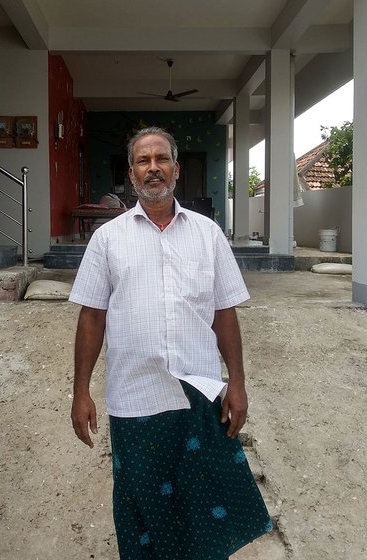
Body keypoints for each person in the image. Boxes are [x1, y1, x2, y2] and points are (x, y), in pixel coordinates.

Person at [69, 127, 272, 559]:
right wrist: (80, 390)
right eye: (144, 161)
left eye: (162, 159)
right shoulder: (107, 240)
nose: (153, 168)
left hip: (198, 397)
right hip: (135, 399)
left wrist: (237, 382)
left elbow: (225, 312)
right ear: (131, 172)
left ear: (176, 169)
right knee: (141, 511)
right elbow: (92, 316)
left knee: (204, 509)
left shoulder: (207, 234)